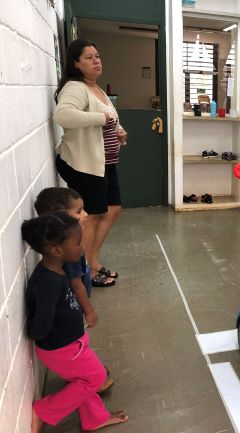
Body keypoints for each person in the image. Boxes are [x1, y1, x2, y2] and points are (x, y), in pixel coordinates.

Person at [22, 212, 128, 433]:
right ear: (57, 250)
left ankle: (94, 418)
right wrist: (36, 333)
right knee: (96, 377)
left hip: (73, 344)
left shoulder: (57, 270)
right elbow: (40, 325)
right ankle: (43, 411)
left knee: (83, 380)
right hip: (63, 349)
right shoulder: (47, 282)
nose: (82, 246)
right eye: (78, 242)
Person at [53, 38, 127, 288]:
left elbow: (109, 120)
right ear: (76, 63)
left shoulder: (97, 89)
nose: (96, 61)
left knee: (113, 210)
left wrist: (119, 131)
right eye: (89, 57)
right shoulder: (75, 87)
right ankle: (84, 270)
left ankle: (92, 261)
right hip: (84, 165)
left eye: (97, 56)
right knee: (92, 217)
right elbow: (63, 115)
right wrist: (101, 118)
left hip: (106, 163)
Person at [34, 187, 115, 327]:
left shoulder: (69, 242)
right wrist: (89, 311)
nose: (85, 214)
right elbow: (76, 285)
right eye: (79, 211)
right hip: (75, 307)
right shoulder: (68, 251)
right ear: (59, 218)